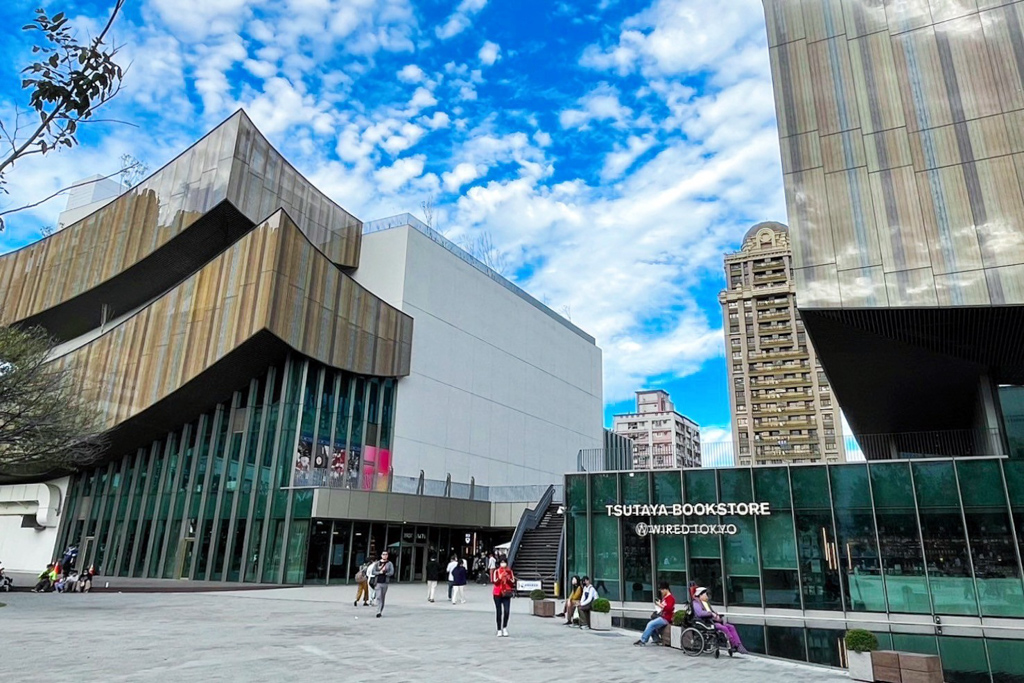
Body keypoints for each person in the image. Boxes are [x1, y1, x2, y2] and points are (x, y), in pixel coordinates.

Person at [693, 586, 748, 654]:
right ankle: (733, 644)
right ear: (700, 595)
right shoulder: (695, 603)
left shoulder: (706, 603)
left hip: (712, 621)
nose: (707, 596)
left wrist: (716, 616)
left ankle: (738, 644)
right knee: (723, 628)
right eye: (705, 594)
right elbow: (700, 614)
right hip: (706, 622)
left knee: (731, 627)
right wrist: (711, 614)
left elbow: (712, 612)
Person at [634, 581, 675, 646]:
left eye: (662, 590)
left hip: (666, 618)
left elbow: (669, 608)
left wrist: (660, 605)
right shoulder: (665, 597)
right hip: (662, 616)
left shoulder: (670, 598)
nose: (661, 591)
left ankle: (643, 640)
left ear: (666, 589)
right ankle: (657, 640)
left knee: (650, 624)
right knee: (651, 624)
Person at [492, 558, 515, 637]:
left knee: (506, 611)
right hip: (498, 593)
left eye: (504, 562)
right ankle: (499, 629)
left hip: (506, 593)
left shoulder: (509, 571)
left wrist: (508, 578)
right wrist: (500, 577)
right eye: (501, 562)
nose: (503, 564)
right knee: (499, 611)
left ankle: (504, 627)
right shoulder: (496, 571)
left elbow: (512, 583)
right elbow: (495, 582)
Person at [374, 551, 395, 618]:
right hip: (378, 582)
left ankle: (381, 609)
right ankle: (378, 611)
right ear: (381, 555)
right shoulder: (377, 563)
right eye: (383, 554)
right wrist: (379, 572)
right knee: (378, 597)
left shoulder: (389, 563)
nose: (384, 556)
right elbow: (373, 571)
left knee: (382, 597)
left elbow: (392, 572)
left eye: (386, 554)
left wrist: (385, 573)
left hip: (385, 582)